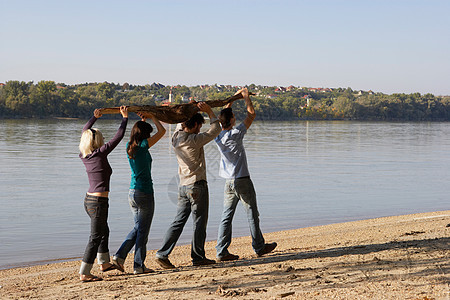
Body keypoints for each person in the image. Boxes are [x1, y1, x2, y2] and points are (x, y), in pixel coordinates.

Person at [155, 102, 221, 268]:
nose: (200, 129)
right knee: (199, 222)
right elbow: (216, 130)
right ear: (196, 125)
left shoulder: (176, 137)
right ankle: (198, 257)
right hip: (197, 185)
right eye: (199, 126)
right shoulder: (194, 140)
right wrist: (209, 111)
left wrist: (190, 109)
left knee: (178, 221)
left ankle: (162, 253)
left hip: (183, 186)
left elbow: (180, 124)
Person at [214, 88, 277, 262]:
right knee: (252, 213)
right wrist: (246, 98)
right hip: (242, 179)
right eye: (233, 116)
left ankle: (221, 250)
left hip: (228, 182)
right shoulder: (236, 133)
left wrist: (232, 100)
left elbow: (223, 119)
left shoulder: (218, 136)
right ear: (233, 120)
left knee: (226, 216)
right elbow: (251, 114)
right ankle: (259, 246)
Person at [78, 106, 128, 282]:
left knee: (103, 231)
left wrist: (94, 118)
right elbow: (119, 137)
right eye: (101, 138)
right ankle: (84, 272)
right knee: (95, 237)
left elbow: (85, 131)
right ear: (96, 141)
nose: (104, 139)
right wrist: (124, 117)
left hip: (90, 200)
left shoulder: (84, 155)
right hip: (98, 202)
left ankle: (104, 262)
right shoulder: (100, 154)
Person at [112, 113, 166, 274]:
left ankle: (121, 257)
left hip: (132, 192)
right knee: (143, 231)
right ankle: (138, 265)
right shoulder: (143, 146)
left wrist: (143, 121)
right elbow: (162, 131)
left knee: (138, 228)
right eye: (147, 134)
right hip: (145, 192)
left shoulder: (129, 146)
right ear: (144, 135)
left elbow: (140, 133)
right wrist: (155, 117)